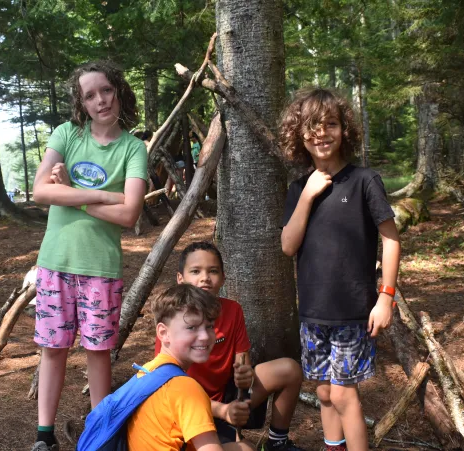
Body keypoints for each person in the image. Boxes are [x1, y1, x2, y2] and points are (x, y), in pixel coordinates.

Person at [30, 61, 148, 451]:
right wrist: (102, 195)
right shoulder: (66, 134)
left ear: (118, 91)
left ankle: (100, 434)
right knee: (53, 350)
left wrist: (74, 194)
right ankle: (44, 437)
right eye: (90, 95)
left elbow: (130, 214)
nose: (100, 100)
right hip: (55, 263)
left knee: (98, 354)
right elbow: (41, 193)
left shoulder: (132, 148)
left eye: (106, 91)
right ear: (81, 103)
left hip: (100, 267)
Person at [279, 88, 401, 451]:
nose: (321, 133)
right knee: (322, 391)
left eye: (330, 124)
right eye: (312, 126)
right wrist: (307, 195)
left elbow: (391, 240)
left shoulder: (365, 181)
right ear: (299, 134)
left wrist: (386, 297)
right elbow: (288, 245)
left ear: (344, 129)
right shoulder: (300, 187)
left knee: (344, 395)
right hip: (313, 312)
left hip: (353, 312)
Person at [155, 242, 306, 451]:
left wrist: (244, 373)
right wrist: (222, 411)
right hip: (189, 407)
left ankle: (277, 442)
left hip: (226, 396)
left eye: (213, 271)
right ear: (180, 279)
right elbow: (171, 390)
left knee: (288, 369)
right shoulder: (174, 321)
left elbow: (242, 360)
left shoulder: (232, 310)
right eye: (195, 271)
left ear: (223, 278)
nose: (205, 277)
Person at [127, 284, 225, 451]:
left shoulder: (147, 371)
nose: (204, 336)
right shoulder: (187, 390)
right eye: (191, 327)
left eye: (209, 326)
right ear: (163, 333)